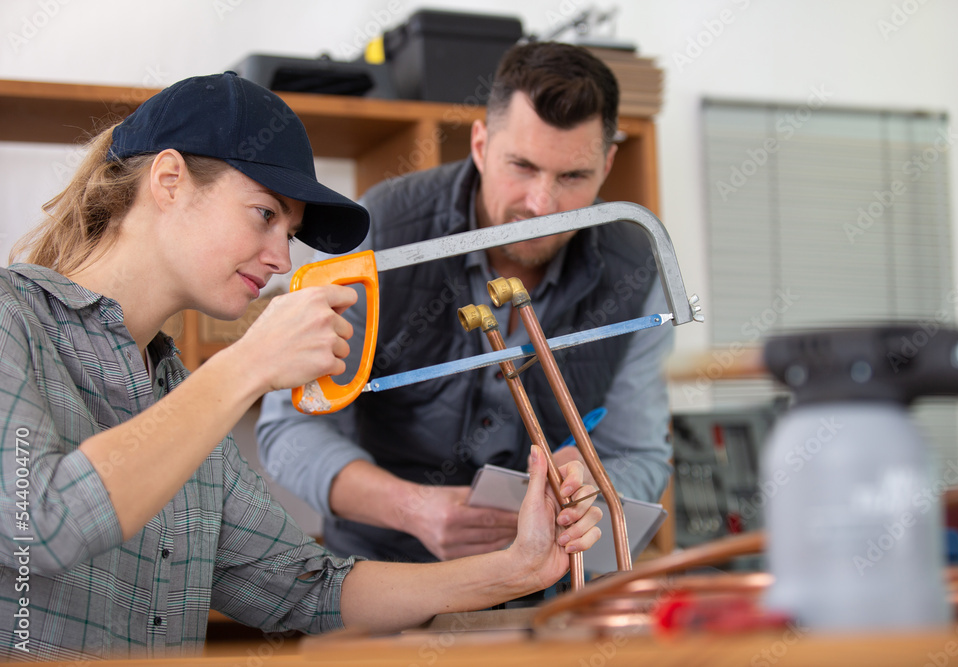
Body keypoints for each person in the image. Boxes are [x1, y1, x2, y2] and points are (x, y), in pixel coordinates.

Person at [0, 71, 601, 661]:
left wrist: (516, 568)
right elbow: (43, 524)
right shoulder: (11, 320)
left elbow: (308, 588)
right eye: (265, 214)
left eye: (290, 232)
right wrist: (248, 364)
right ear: (169, 179)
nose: (282, 256)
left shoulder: (177, 394)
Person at [256, 41, 673, 565]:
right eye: (521, 166)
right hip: (385, 576)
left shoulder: (637, 264)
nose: (542, 205)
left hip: (547, 584)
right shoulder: (383, 231)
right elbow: (290, 429)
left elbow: (640, 454)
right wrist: (411, 507)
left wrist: (592, 481)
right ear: (480, 144)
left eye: (572, 177)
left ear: (608, 163)